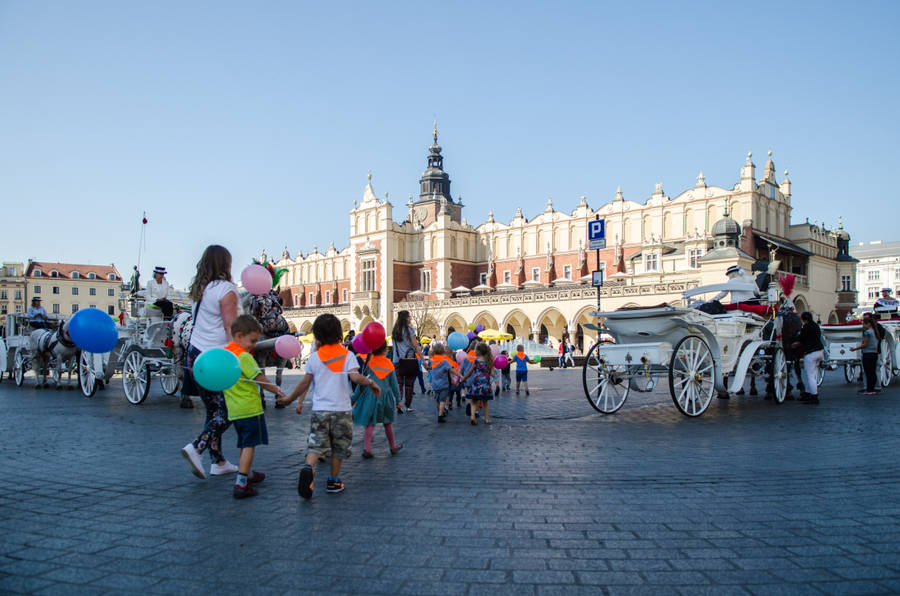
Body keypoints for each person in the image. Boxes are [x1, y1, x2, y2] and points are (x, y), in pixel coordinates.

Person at [278, 314, 381, 499]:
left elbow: (304, 383)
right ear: (339, 334)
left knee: (316, 445)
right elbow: (355, 377)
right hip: (342, 410)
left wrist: (290, 399)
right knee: (339, 447)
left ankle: (308, 467)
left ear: (317, 335)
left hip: (320, 411)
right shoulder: (348, 355)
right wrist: (371, 383)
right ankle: (333, 481)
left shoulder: (314, 358)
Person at [181, 245, 241, 477]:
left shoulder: (201, 290)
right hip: (216, 358)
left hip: (195, 355)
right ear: (226, 264)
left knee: (213, 411)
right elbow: (230, 328)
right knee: (229, 411)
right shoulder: (226, 290)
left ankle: (218, 462)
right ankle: (197, 447)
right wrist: (238, 358)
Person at [222, 315, 286, 499]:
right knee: (250, 445)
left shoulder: (226, 355)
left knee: (244, 443)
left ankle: (248, 472)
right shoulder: (244, 357)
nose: (254, 345)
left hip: (234, 409)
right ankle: (241, 482)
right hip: (249, 408)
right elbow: (260, 379)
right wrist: (278, 391)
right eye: (252, 341)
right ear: (239, 336)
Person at [351, 340, 402, 458]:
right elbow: (394, 384)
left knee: (370, 424)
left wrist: (354, 398)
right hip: (386, 398)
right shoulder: (389, 364)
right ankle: (392, 446)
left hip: (371, 397)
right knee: (388, 423)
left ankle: (367, 449)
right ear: (385, 350)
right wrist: (398, 400)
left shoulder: (369, 363)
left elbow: (362, 383)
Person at [391, 310, 423, 413]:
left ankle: (399, 404)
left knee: (399, 384)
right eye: (409, 316)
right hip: (409, 361)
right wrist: (424, 361)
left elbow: (394, 347)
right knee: (409, 385)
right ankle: (408, 406)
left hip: (397, 361)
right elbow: (416, 346)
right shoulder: (410, 330)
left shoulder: (394, 331)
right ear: (405, 318)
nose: (410, 318)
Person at [791, 311, 824, 404]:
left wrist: (794, 344)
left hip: (811, 354)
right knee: (812, 375)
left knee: (809, 376)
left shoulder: (806, 327)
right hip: (819, 352)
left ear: (803, 319)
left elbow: (801, 339)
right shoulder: (815, 326)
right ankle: (808, 393)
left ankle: (814, 396)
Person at [460, 342, 494, 425]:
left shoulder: (475, 361)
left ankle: (472, 417)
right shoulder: (489, 361)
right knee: (485, 403)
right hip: (485, 385)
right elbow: (493, 374)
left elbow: (469, 372)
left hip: (476, 385)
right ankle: (486, 419)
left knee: (474, 402)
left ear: (478, 351)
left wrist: (464, 378)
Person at [851, 318, 881, 395]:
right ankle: (872, 389)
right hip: (874, 353)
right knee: (872, 372)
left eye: (864, 324)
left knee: (868, 373)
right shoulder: (875, 332)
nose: (863, 325)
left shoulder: (867, 332)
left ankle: (869, 389)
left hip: (867, 354)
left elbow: (865, 345)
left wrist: (855, 349)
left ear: (868, 324)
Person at [424, 343, 453, 422]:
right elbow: (450, 370)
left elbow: (429, 368)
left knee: (437, 400)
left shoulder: (432, 360)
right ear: (443, 351)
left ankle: (440, 413)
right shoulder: (444, 361)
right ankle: (440, 415)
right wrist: (457, 376)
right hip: (443, 384)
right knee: (442, 400)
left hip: (435, 384)